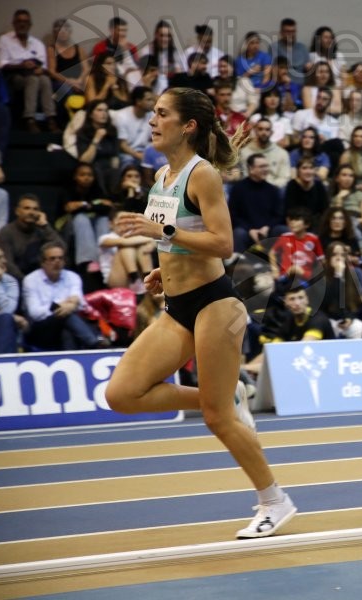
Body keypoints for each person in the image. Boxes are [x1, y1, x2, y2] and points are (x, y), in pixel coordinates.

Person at [105, 87, 297, 538]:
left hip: (216, 303)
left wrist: (161, 230)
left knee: (216, 419)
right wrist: (160, 268)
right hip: (177, 305)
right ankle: (228, 395)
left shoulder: (202, 174)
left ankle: (275, 501)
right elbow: (178, 238)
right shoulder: (161, 175)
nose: (153, 121)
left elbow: (224, 244)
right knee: (122, 394)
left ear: (187, 125)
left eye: (161, 114)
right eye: (152, 113)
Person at [22, 241, 104, 350]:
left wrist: (70, 306)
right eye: (52, 258)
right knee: (65, 315)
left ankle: (75, 357)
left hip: (68, 325)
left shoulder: (72, 277)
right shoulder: (30, 280)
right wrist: (61, 306)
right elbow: (35, 313)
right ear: (42, 262)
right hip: (41, 329)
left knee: (67, 326)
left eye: (60, 258)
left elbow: (80, 303)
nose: (57, 262)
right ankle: (94, 343)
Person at [0, 9, 59, 133]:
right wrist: (22, 65)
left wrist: (40, 69)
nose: (22, 24)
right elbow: (2, 65)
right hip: (14, 76)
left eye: (25, 22)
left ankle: (50, 118)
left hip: (34, 74)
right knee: (33, 79)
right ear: (14, 23)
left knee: (44, 79)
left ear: (30, 25)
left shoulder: (37, 43)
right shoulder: (4, 40)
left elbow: (45, 68)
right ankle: (29, 119)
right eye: (19, 21)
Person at [228, 153, 287, 253]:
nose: (266, 169)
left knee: (283, 230)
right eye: (261, 166)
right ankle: (238, 266)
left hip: (268, 229)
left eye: (267, 166)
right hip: (246, 230)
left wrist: (266, 227)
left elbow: (279, 215)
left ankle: (287, 265)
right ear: (251, 169)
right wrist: (250, 229)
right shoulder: (238, 189)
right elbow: (233, 215)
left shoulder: (273, 190)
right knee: (238, 233)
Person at [0, 194, 64, 280]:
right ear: (17, 211)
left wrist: (45, 226)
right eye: (27, 208)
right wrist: (26, 281)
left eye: (35, 209)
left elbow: (61, 249)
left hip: (42, 279)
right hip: (16, 279)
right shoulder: (6, 232)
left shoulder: (43, 229)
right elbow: (7, 263)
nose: (31, 212)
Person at [0, 244, 27, 354]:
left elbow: (7, 311)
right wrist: (12, 317)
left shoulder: (10, 281)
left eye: (3, 257)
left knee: (5, 320)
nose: (4, 261)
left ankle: (1, 366)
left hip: (0, 328)